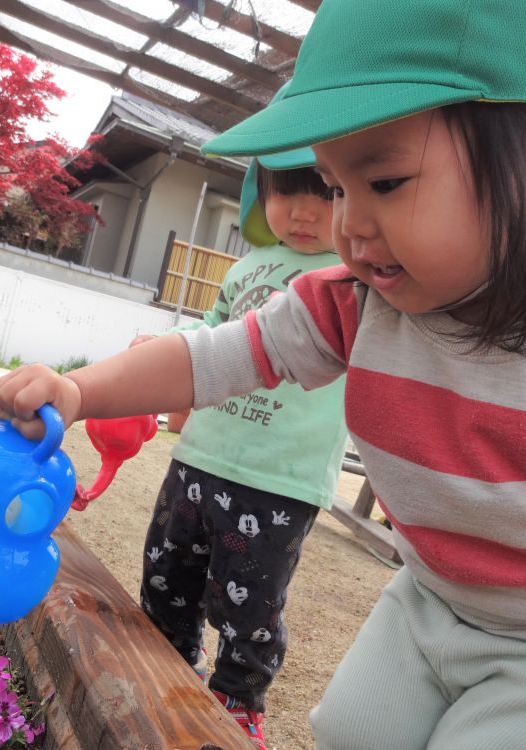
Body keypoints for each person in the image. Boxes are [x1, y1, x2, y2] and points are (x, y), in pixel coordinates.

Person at [0, 1, 526, 748]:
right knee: (348, 732)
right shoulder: (359, 304)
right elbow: (213, 356)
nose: (348, 224)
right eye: (334, 184)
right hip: (429, 598)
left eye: (383, 182)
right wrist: (81, 391)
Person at [127, 147, 346, 749]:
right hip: (199, 456)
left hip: (278, 478)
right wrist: (161, 347)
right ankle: (166, 670)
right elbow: (210, 332)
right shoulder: (246, 266)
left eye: (324, 193)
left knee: (249, 606)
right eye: (284, 192)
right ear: (259, 196)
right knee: (167, 578)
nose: (302, 211)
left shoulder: (355, 278)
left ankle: (236, 704)